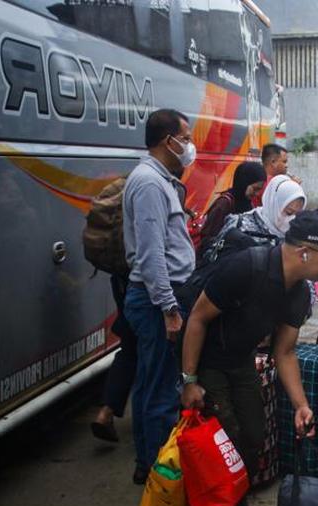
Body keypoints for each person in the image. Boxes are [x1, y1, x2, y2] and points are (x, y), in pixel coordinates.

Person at [180, 211, 318, 506]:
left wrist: (302, 405)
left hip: (240, 361)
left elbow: (284, 352)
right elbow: (196, 319)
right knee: (228, 442)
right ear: (305, 253)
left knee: (255, 438)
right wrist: (190, 380)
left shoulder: (298, 295)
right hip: (207, 361)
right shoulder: (245, 268)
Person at [122, 108, 197, 485]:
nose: (190, 145)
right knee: (160, 390)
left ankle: (146, 463)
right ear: (168, 141)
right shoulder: (150, 183)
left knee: (149, 383)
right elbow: (152, 255)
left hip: (156, 298)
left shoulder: (160, 179)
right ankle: (159, 475)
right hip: (155, 303)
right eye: (186, 137)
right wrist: (169, 307)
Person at [91, 274, 136, 444]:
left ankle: (106, 412)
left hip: (121, 279)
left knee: (129, 351)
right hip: (143, 283)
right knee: (148, 357)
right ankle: (148, 426)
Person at [198, 161, 267, 255]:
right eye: (255, 189)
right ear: (244, 182)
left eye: (259, 189)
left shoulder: (248, 203)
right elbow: (207, 237)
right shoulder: (224, 204)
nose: (257, 193)